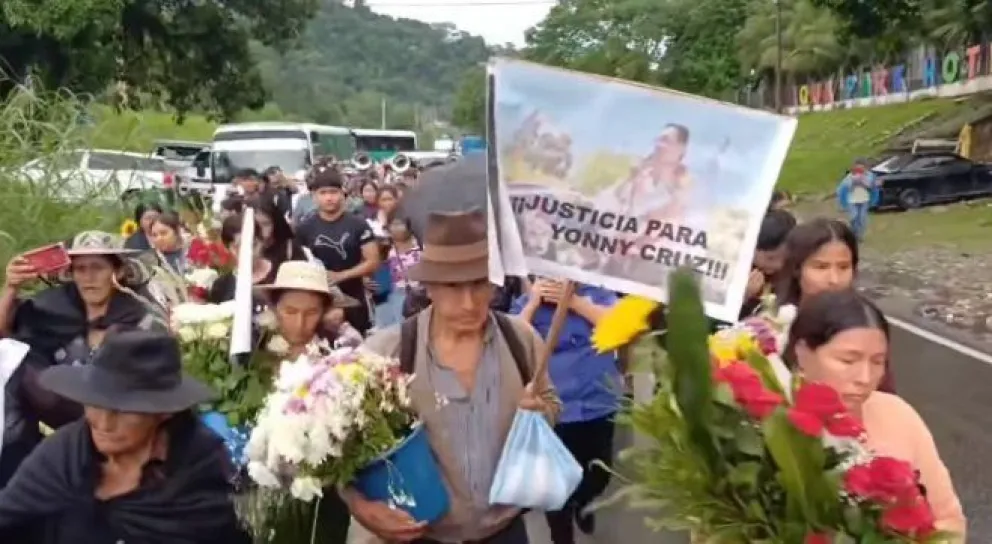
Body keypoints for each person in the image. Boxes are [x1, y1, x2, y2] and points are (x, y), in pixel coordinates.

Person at [353, 209, 559, 544]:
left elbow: (550, 402)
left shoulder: (520, 339)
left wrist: (540, 413)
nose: (468, 303)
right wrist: (360, 506)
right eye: (452, 286)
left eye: (479, 284)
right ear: (429, 286)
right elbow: (346, 447)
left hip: (504, 531)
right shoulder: (386, 351)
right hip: (421, 535)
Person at [0, 330, 251, 543]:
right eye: (96, 404)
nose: (103, 424)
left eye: (123, 411)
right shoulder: (66, 453)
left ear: (163, 412)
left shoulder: (200, 466)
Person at [786, 290, 965, 538]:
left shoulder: (899, 415)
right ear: (803, 352)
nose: (865, 378)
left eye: (878, 362)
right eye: (848, 360)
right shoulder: (771, 425)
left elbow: (948, 520)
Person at [0, 232, 167, 486]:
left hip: (117, 421)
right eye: (80, 269)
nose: (88, 278)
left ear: (118, 272)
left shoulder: (140, 316)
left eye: (97, 268)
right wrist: (11, 287)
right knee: (12, 358)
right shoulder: (53, 308)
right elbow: (5, 336)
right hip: (55, 414)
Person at [512, 278, 621, 544]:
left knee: (599, 472)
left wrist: (574, 302)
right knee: (555, 482)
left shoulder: (598, 293)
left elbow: (618, 327)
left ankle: (584, 500)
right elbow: (512, 340)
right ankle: (562, 535)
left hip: (597, 400)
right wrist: (534, 302)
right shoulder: (527, 304)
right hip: (556, 408)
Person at [775, 218, 895, 393]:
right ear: (797, 269)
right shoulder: (770, 326)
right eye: (821, 267)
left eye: (843, 267)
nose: (834, 280)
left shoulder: (865, 322)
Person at [295, 165, 380, 334]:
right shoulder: (304, 228)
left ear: (342, 194)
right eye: (323, 193)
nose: (329, 198)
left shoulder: (358, 224)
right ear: (314, 196)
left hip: (354, 299)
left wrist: (341, 276)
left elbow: (373, 261)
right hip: (319, 301)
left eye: (333, 192)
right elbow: (298, 264)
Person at [207, 214, 274, 304]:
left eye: (253, 245)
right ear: (227, 248)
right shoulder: (222, 287)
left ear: (262, 241)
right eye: (238, 247)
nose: (248, 252)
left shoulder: (279, 273)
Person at [741, 209, 797, 317]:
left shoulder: (798, 269)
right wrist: (743, 296)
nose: (778, 265)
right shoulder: (740, 272)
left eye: (772, 258)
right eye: (770, 258)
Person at [247, 195, 307, 276]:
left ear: (275, 223)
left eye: (265, 224)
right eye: (255, 224)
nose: (260, 230)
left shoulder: (290, 248)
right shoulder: (242, 249)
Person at [836, 158, 880, 241]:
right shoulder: (850, 176)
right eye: (857, 167)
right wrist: (853, 182)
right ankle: (853, 233)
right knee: (854, 217)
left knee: (862, 219)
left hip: (864, 200)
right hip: (852, 200)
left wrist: (863, 181)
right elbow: (843, 188)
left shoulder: (870, 175)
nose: (860, 169)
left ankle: (859, 236)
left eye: (862, 167)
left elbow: (872, 187)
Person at [149, 211, 188, 276]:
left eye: (163, 233)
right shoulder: (154, 262)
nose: (159, 239)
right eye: (154, 235)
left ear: (177, 231)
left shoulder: (193, 248)